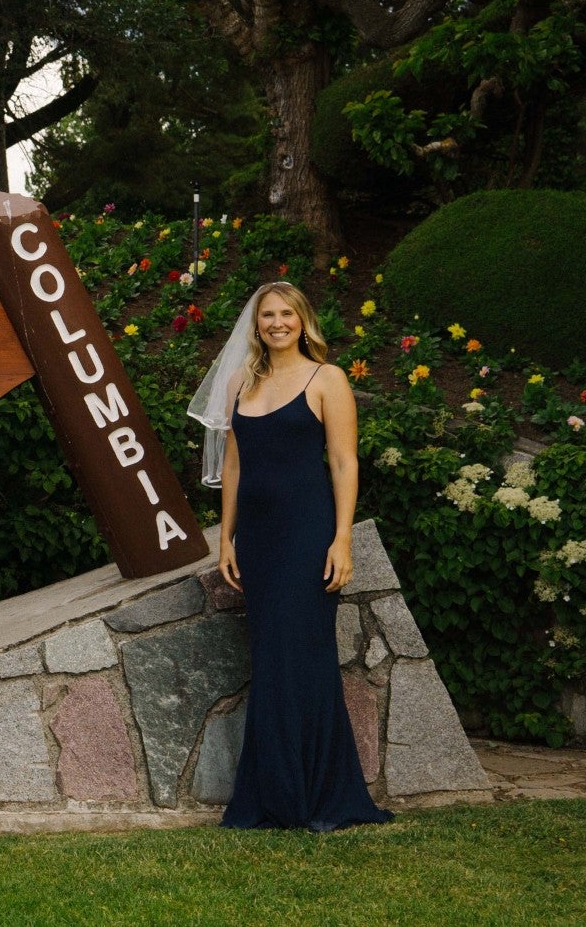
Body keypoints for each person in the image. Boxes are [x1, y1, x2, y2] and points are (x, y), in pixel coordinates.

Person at [190, 280, 389, 832]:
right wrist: (225, 538)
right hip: (256, 538)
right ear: (256, 325)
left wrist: (342, 538)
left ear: (303, 321)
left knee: (305, 659)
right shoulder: (238, 382)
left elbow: (345, 464)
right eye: (267, 315)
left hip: (307, 536)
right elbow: (233, 466)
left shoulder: (328, 379)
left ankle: (320, 795)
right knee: (271, 662)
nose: (277, 323)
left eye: (287, 314)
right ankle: (273, 797)